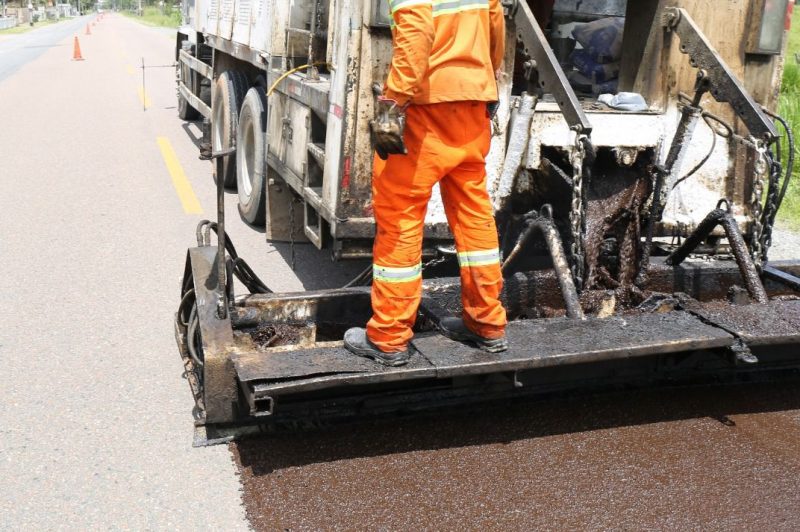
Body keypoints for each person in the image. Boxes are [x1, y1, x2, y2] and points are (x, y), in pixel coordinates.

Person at [343, 0, 508, 366]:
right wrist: (482, 84)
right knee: (473, 216)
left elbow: (416, 36)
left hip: (425, 110)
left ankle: (388, 336)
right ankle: (487, 323)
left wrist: (392, 103)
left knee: (400, 218)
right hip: (473, 105)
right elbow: (495, 31)